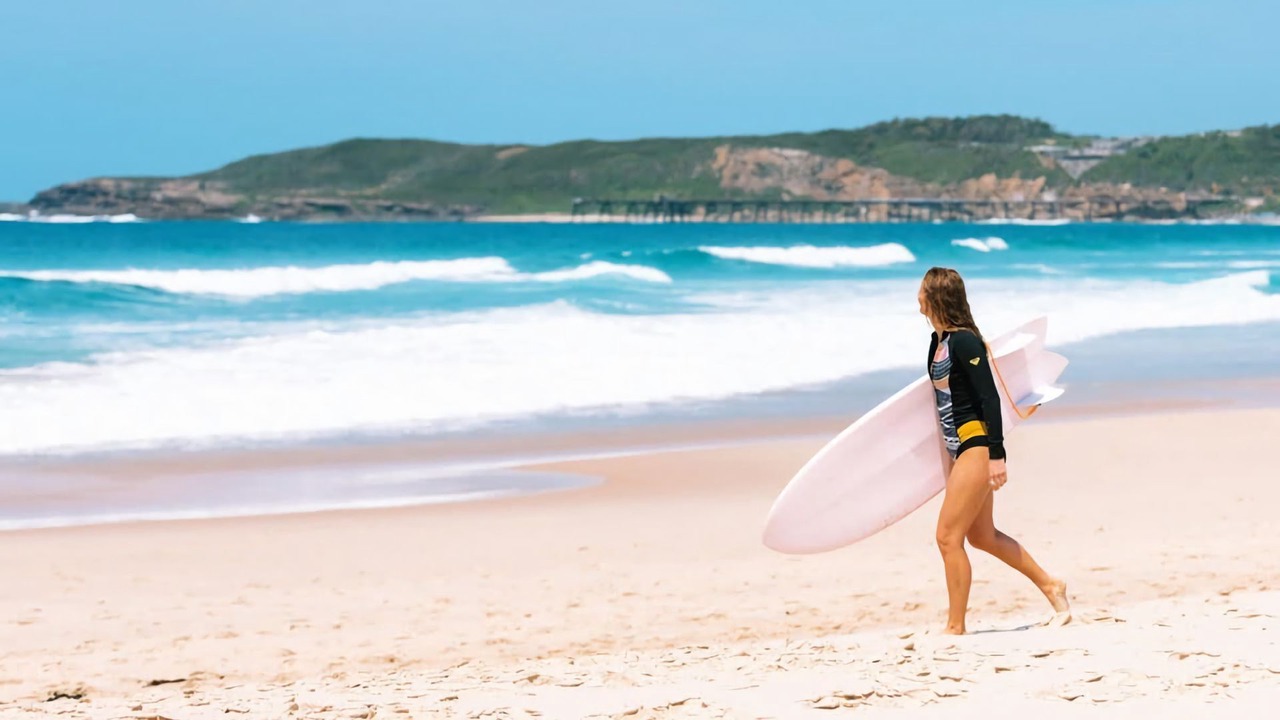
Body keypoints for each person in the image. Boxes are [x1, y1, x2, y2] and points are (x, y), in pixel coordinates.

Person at [918, 266, 1071, 634]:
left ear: (936, 296)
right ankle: (1052, 585)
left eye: (922, 290)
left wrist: (996, 455)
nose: (917, 296)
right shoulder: (938, 343)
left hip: (976, 444)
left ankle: (955, 626)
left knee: (947, 537)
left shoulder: (965, 342)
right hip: (958, 449)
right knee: (982, 535)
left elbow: (988, 397)